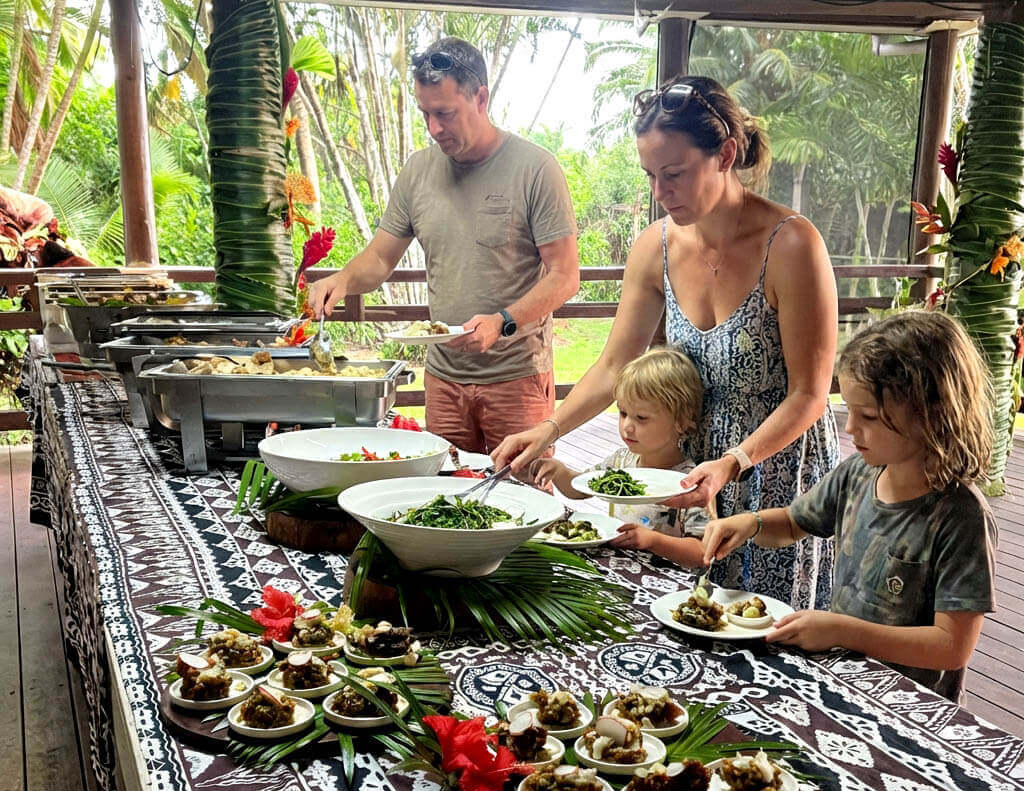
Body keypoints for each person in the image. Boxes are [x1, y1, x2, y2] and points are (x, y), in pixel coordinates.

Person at [494, 75, 839, 609]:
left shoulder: (792, 244)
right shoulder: (653, 247)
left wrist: (734, 461)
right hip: (685, 469)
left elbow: (809, 395)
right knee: (687, 624)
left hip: (772, 473)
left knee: (764, 634)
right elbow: (614, 364)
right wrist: (549, 428)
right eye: (651, 175)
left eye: (674, 174)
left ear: (725, 155)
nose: (660, 192)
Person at [702, 310, 997, 703]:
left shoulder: (960, 517)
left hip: (910, 706)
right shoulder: (858, 473)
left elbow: (951, 646)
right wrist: (750, 523)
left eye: (869, 416)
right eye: (850, 411)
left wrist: (841, 631)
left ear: (931, 414)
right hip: (843, 682)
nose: (851, 428)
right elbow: (793, 523)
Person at [306, 36, 579, 453]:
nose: (434, 128)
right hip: (444, 379)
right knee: (443, 501)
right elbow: (380, 257)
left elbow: (565, 276)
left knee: (521, 500)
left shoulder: (536, 169)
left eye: (445, 114)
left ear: (481, 98)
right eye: (426, 114)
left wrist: (502, 321)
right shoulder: (418, 171)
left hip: (516, 378)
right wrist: (342, 279)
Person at [533, 347, 706, 566]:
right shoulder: (621, 462)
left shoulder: (692, 481)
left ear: (681, 420)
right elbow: (580, 489)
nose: (627, 427)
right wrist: (558, 472)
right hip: (621, 570)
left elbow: (701, 553)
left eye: (641, 418)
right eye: (622, 413)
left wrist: (652, 540)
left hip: (668, 585)